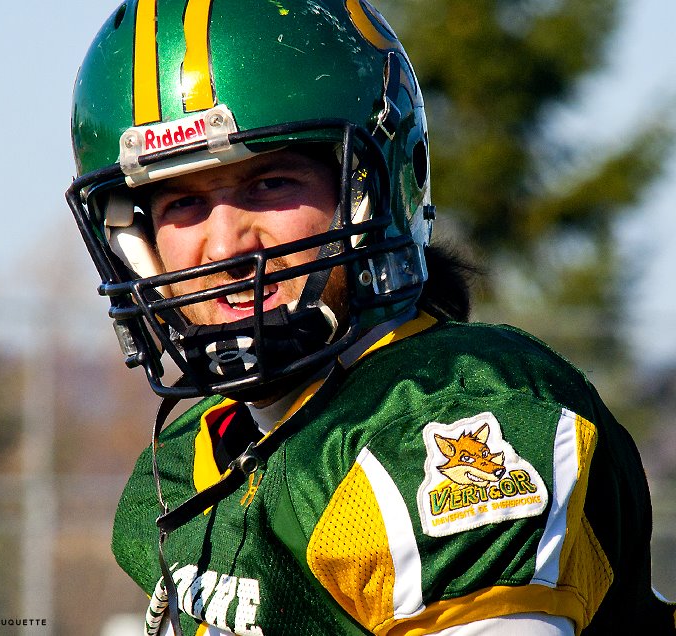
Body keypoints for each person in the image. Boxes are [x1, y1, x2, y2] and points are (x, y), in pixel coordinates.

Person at [65, 1, 676, 634]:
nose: (225, 246)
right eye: (184, 202)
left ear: (370, 190)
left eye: (270, 184)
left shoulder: (442, 418)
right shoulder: (180, 466)